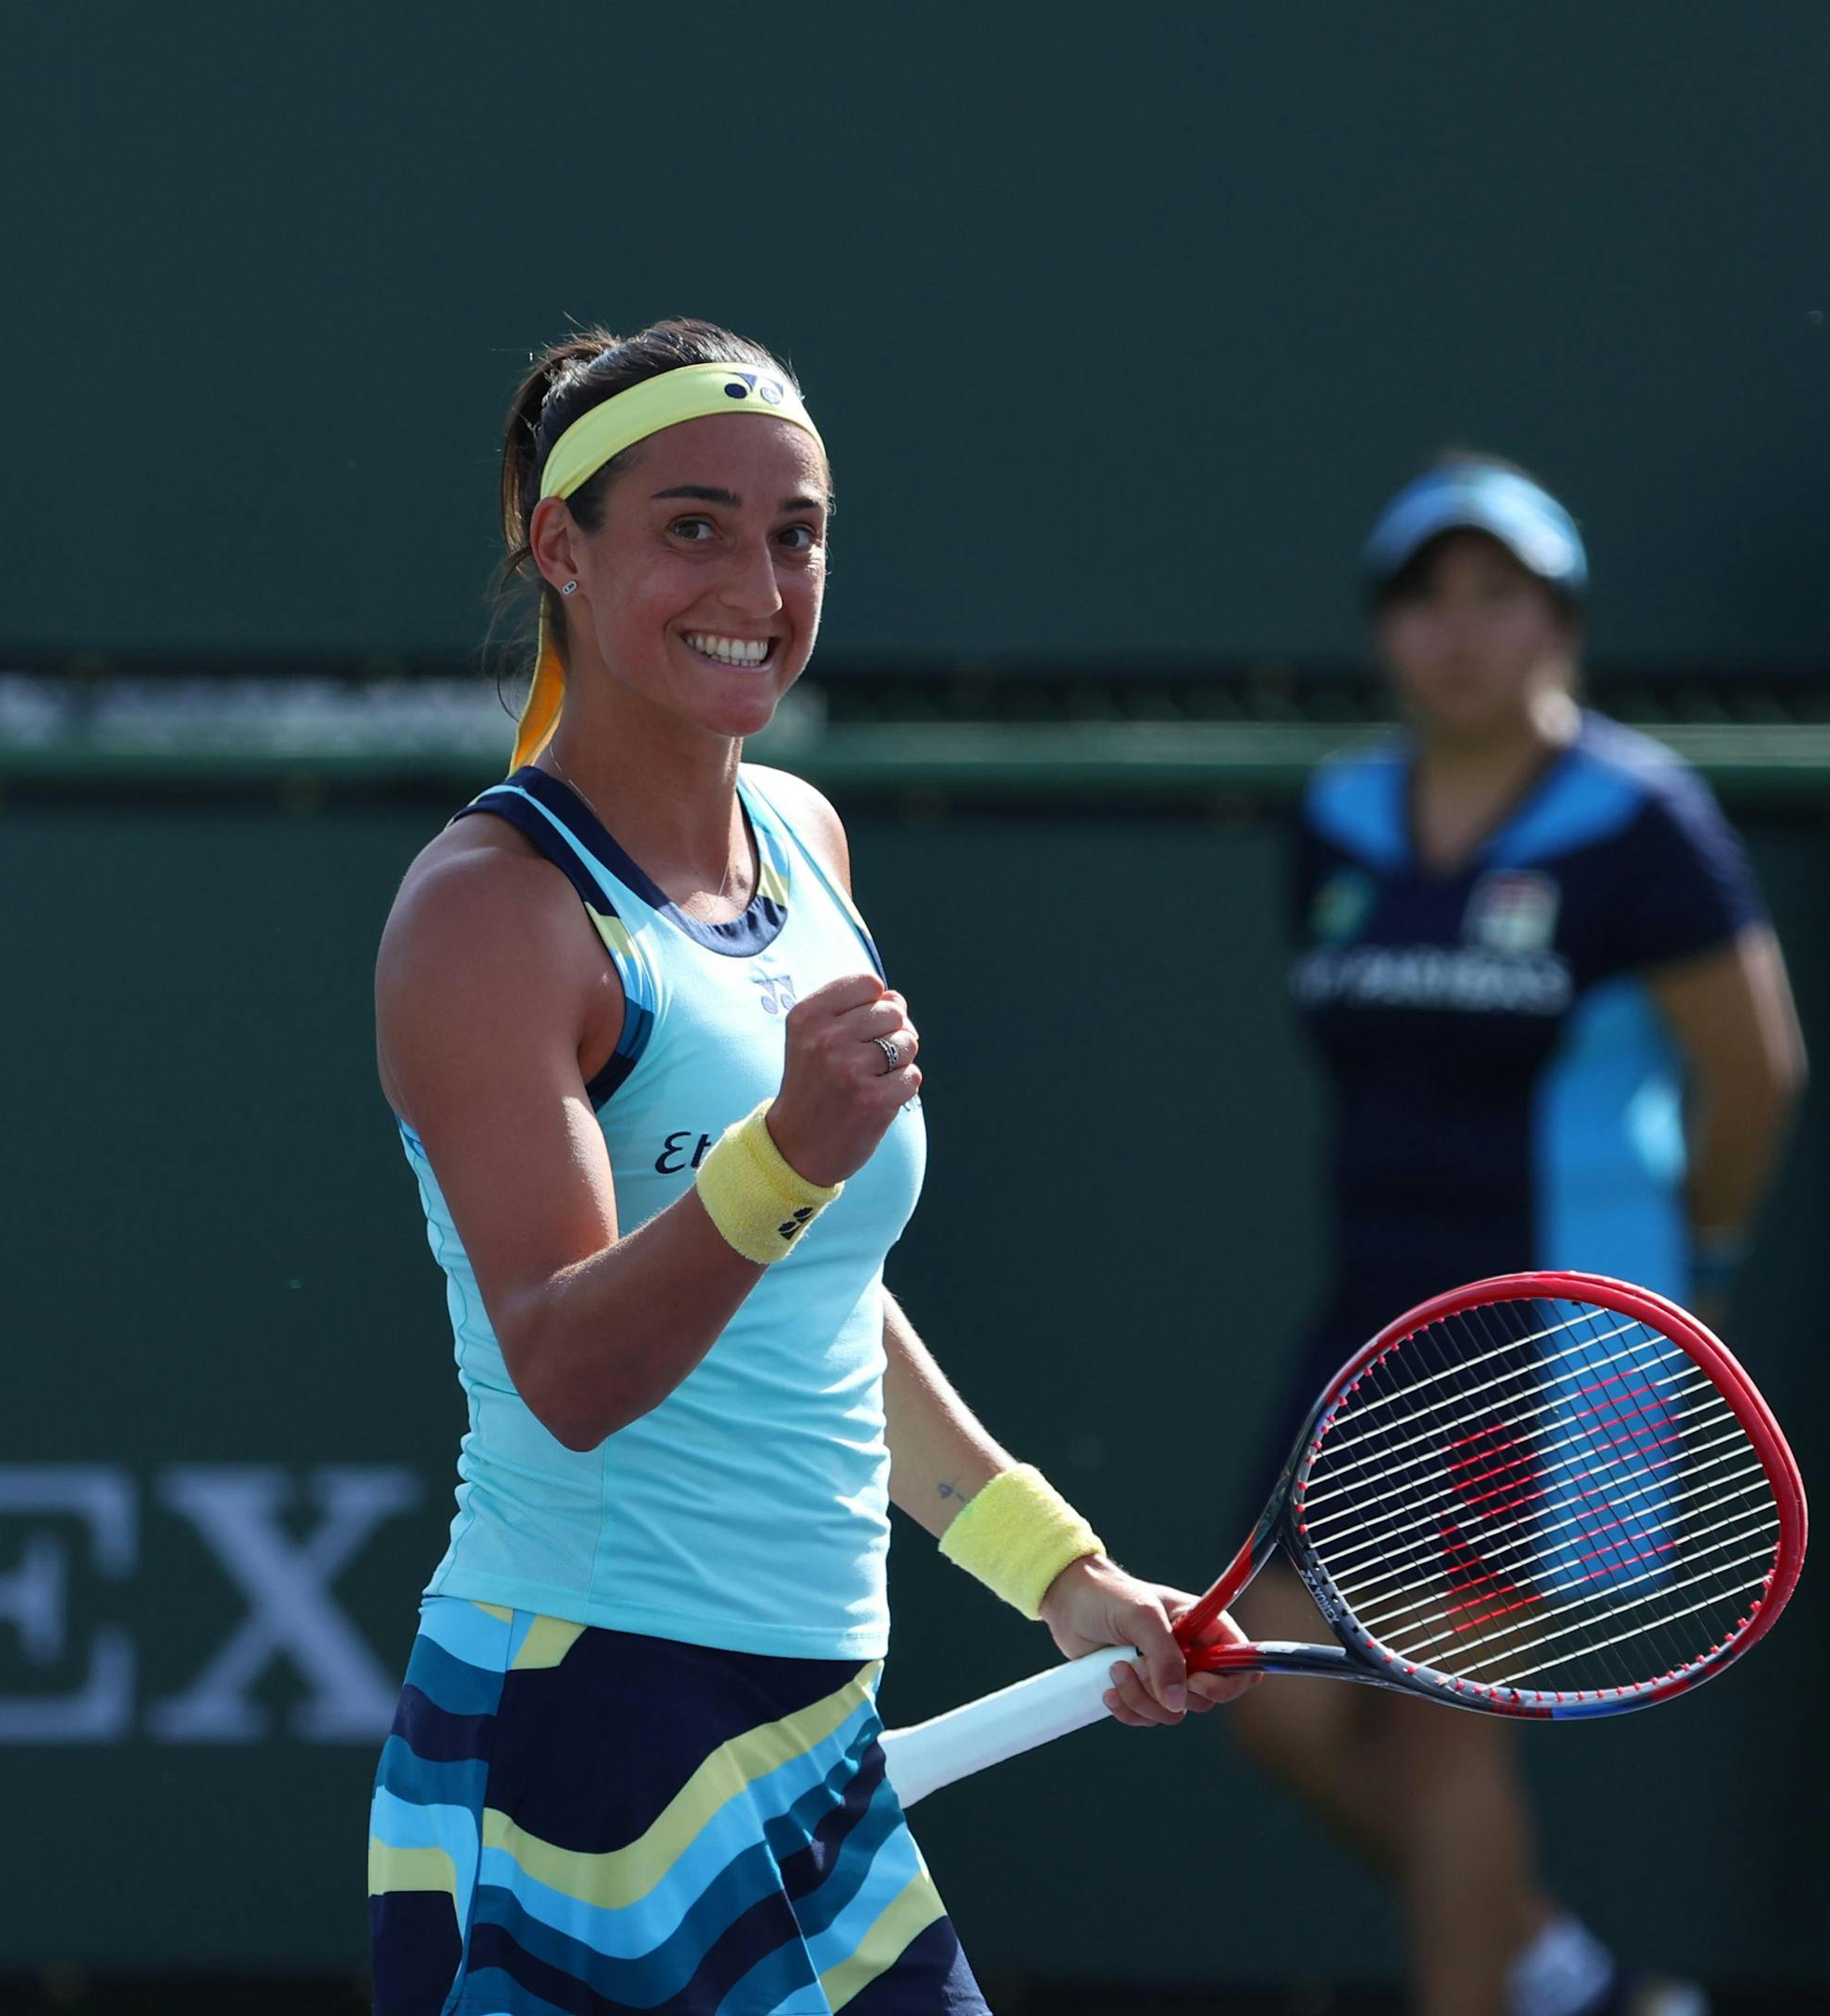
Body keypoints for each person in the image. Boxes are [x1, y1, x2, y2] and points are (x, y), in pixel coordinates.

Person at [363, 318, 1254, 2016]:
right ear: (562, 549)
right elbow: (567, 1365)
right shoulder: (487, 914)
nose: (758, 583)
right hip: (577, 1728)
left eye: (796, 532)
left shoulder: (806, 840)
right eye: (692, 525)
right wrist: (781, 1153)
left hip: (809, 1722)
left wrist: (1059, 1578)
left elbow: (826, 1297)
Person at [1235, 456, 1804, 2016]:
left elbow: (1757, 1072)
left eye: (1502, 596)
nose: (1464, 631)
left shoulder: (1643, 823)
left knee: (1439, 1722)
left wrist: (1694, 1278)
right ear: (1387, 632)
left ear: (1561, 624)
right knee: (1269, 1695)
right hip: (1367, 1319)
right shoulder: (1340, 818)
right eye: (1430, 598)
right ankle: (1560, 1974)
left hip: (1561, 1338)